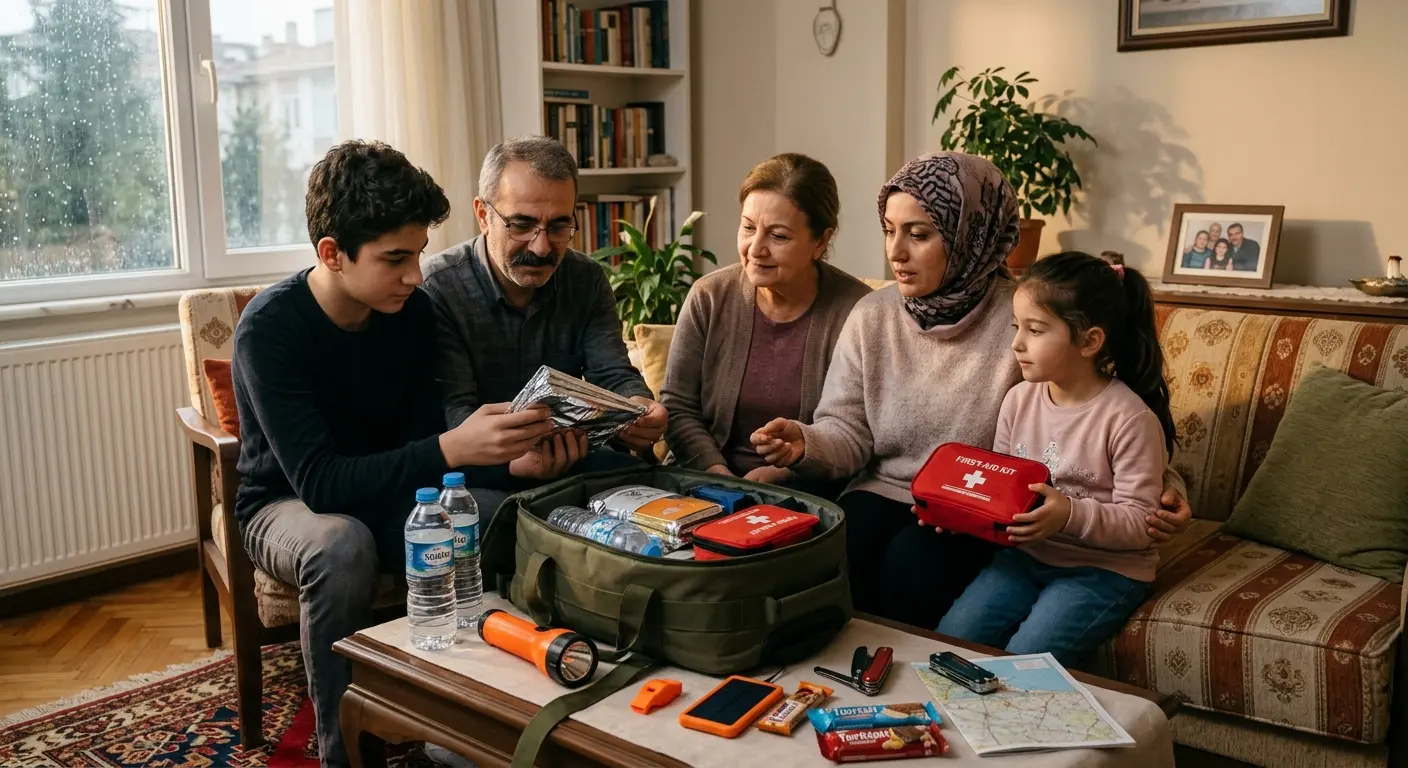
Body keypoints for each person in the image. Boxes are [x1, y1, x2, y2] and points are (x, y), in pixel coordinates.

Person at [751, 151, 1194, 630]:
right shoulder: (872, 315)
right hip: (885, 488)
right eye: (888, 230)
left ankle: (905, 691)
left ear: (971, 236)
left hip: (978, 506)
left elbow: (1089, 412)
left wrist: (1166, 486)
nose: (894, 252)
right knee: (836, 547)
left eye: (918, 235)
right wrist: (807, 443)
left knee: (912, 566)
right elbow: (848, 432)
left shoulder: (1027, 321)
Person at [232, 140, 556, 768]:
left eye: (420, 255)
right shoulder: (270, 329)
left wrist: (510, 462)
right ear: (332, 253)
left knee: (501, 513)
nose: (415, 274)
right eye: (396, 259)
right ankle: (343, 753)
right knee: (341, 545)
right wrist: (448, 447)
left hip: (387, 494)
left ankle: (465, 728)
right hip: (286, 502)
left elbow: (419, 451)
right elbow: (322, 483)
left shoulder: (408, 313)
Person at [936, 252, 1173, 665]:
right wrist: (956, 510)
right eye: (1017, 327)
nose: (1017, 343)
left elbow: (1141, 524)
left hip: (1103, 571)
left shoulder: (1130, 418)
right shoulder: (1017, 400)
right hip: (1025, 559)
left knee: (1023, 662)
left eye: (1036, 329)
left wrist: (1069, 516)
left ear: (1089, 341)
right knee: (949, 647)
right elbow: (1002, 486)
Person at [421, 136, 668, 517]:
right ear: (483, 215)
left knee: (656, 491)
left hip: (570, 457)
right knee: (489, 519)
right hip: (477, 472)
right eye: (522, 225)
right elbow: (454, 412)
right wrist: (513, 462)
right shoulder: (438, 286)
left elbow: (613, 374)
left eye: (558, 226)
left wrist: (639, 407)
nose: (540, 247)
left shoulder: (586, 278)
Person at [661, 153, 871, 488]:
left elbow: (859, 432)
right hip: (700, 481)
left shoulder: (858, 312)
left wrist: (786, 472)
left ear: (821, 241)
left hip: (810, 493)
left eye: (778, 236)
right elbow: (677, 407)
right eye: (748, 228)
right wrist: (719, 476)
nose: (755, 248)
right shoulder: (709, 296)